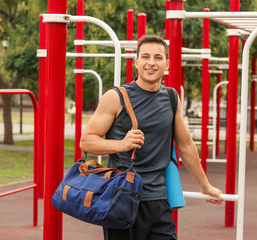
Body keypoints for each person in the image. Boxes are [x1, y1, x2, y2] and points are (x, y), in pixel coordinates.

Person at [80, 35, 223, 240]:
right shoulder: (116, 97)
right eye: (145, 56)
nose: (151, 62)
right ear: (136, 62)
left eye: (158, 57)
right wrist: (121, 144)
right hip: (121, 196)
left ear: (167, 64)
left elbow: (185, 145)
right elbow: (87, 141)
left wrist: (205, 185)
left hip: (157, 198)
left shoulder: (172, 97)